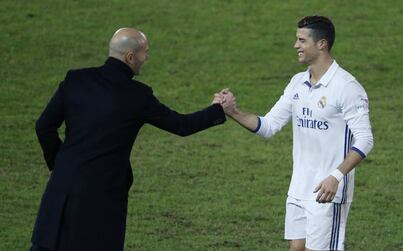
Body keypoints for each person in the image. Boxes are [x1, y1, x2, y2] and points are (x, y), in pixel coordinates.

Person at [30, 28, 235, 251]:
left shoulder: (75, 80)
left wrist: (59, 164)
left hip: (59, 193)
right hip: (101, 200)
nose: (146, 58)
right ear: (130, 57)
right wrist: (218, 109)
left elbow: (44, 127)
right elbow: (181, 125)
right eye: (144, 53)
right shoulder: (137, 96)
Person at [217, 16, 373, 251]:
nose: (295, 45)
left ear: (321, 44)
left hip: (327, 191)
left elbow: (365, 139)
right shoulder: (297, 83)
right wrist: (233, 111)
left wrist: (336, 177)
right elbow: (268, 126)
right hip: (299, 188)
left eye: (301, 40)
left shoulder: (346, 87)